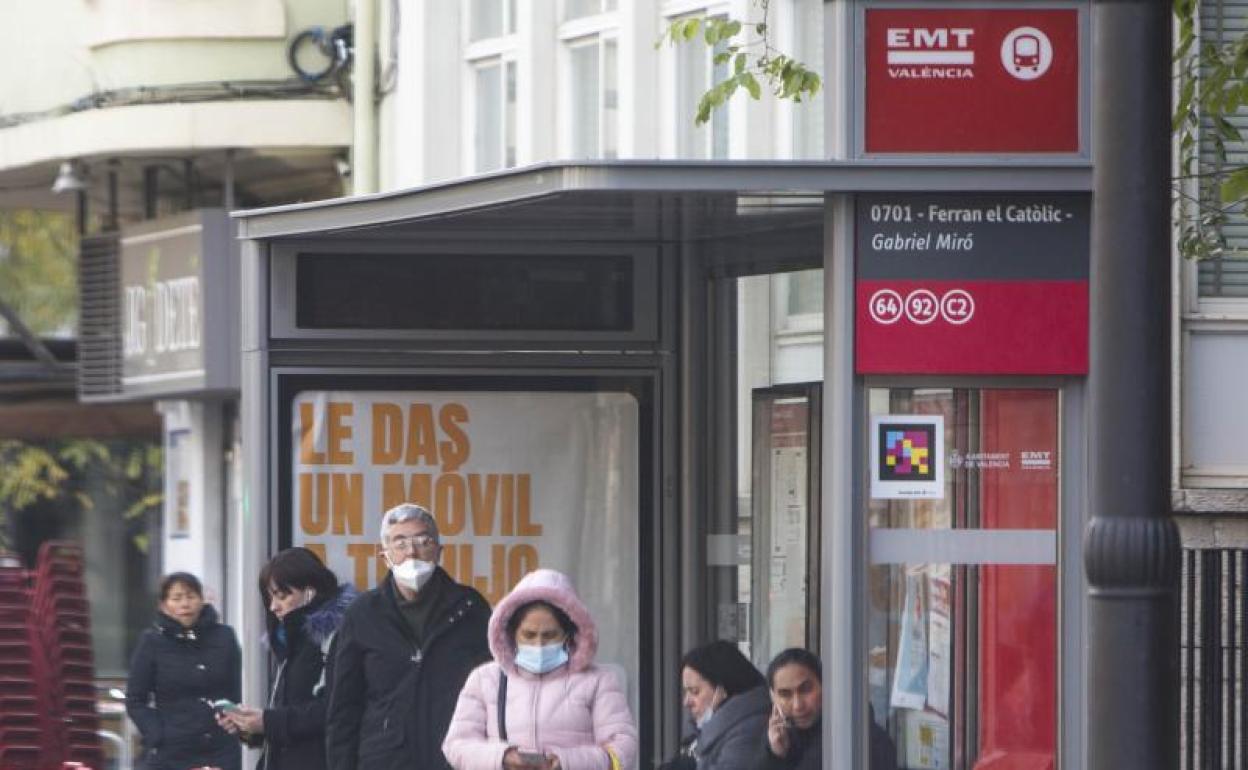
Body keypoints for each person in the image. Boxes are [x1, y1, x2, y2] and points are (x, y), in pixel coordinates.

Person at [325, 503, 492, 770]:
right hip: (384, 760)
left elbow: (493, 691)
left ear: (438, 551)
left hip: (453, 759)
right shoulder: (363, 614)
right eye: (400, 544)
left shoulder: (469, 607)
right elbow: (343, 709)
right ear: (385, 556)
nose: (411, 552)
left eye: (423, 541)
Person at [442, 568, 638, 770]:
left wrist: (566, 763)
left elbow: (623, 749)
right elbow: (456, 746)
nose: (539, 643)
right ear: (511, 634)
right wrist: (503, 757)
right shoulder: (485, 679)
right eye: (529, 634)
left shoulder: (598, 681)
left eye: (550, 635)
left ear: (568, 633)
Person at [216, 547, 357, 770]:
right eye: (270, 598)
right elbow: (286, 716)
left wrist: (267, 722)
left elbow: (335, 709)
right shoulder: (288, 642)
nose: (274, 607)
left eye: (282, 596)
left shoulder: (336, 638)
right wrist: (250, 727)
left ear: (310, 592)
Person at [125, 572, 242, 770]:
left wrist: (235, 720)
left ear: (202, 600)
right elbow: (135, 699)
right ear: (164, 605)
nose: (185, 604)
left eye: (190, 596)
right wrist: (158, 733)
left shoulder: (225, 637)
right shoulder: (152, 641)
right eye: (176, 598)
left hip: (220, 750)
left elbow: (236, 690)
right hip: (171, 752)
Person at [757, 648, 896, 770]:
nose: (797, 705)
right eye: (785, 694)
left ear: (826, 685)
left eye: (805, 689)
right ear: (773, 698)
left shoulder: (865, 739)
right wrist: (775, 755)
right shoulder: (781, 738)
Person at [678, 640, 769, 770]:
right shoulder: (716, 730)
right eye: (686, 692)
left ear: (722, 691)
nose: (686, 702)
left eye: (695, 692)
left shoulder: (749, 732)